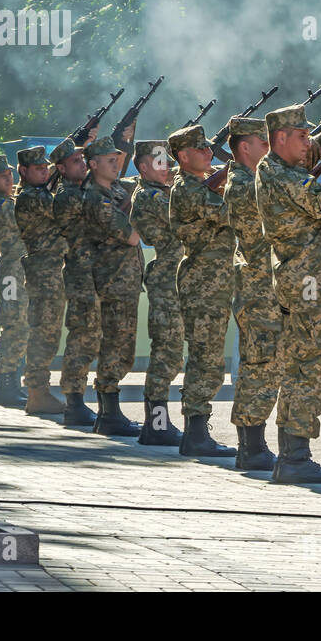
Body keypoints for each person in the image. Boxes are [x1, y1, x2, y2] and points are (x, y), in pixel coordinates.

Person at [254, 103, 321, 484]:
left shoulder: (279, 166)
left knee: (299, 365)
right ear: (280, 138)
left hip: (301, 279)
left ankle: (292, 454)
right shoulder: (286, 177)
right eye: (301, 136)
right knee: (317, 368)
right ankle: (294, 455)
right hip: (309, 282)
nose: (308, 141)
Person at [166, 124, 238, 458]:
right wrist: (235, 174)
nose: (209, 152)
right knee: (205, 358)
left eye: (209, 147)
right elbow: (229, 214)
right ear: (183, 156)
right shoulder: (189, 189)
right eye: (201, 149)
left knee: (209, 356)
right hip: (203, 283)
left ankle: (196, 431)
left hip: (213, 281)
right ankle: (195, 433)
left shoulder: (200, 185)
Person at [223, 115, 281, 471]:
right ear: (246, 147)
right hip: (258, 290)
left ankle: (253, 444)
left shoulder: (249, 180)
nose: (270, 150)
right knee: (260, 367)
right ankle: (251, 446)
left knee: (260, 366)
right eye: (265, 144)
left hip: (260, 288)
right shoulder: (245, 185)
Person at [80, 136, 144, 436]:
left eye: (117, 159)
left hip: (126, 279)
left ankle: (110, 410)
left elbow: (139, 186)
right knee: (115, 345)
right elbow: (132, 236)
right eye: (109, 160)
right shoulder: (95, 198)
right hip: (112, 280)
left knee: (124, 346)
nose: (116, 164)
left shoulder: (116, 189)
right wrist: (140, 213)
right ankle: (108, 413)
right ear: (93, 165)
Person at [128, 139, 185, 446]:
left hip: (178, 280)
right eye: (160, 162)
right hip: (167, 281)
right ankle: (157, 425)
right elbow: (187, 211)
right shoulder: (150, 196)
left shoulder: (162, 190)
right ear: (143, 167)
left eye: (168, 161)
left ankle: (158, 424)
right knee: (166, 353)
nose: (167, 168)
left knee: (173, 354)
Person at [50, 137, 100, 426]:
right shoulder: (68, 195)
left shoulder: (82, 190)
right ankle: (74, 401)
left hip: (91, 273)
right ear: (62, 168)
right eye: (76, 162)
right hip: (81, 274)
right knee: (82, 336)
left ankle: (79, 399)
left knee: (92, 336)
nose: (82, 165)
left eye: (83, 160)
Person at [14, 145, 67, 413]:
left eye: (46, 167)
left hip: (51, 269)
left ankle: (40, 391)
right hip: (44, 271)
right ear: (23, 171)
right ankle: (37, 392)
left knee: (49, 331)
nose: (44, 172)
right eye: (38, 169)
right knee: (43, 332)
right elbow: (63, 209)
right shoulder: (30, 197)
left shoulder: (39, 193)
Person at [0, 154, 29, 406]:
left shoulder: (9, 199)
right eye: (3, 176)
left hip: (20, 269)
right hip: (12, 270)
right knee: (13, 324)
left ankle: (12, 381)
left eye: (10, 174)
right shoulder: (0, 205)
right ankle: (4, 384)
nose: (9, 179)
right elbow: (24, 214)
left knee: (23, 325)